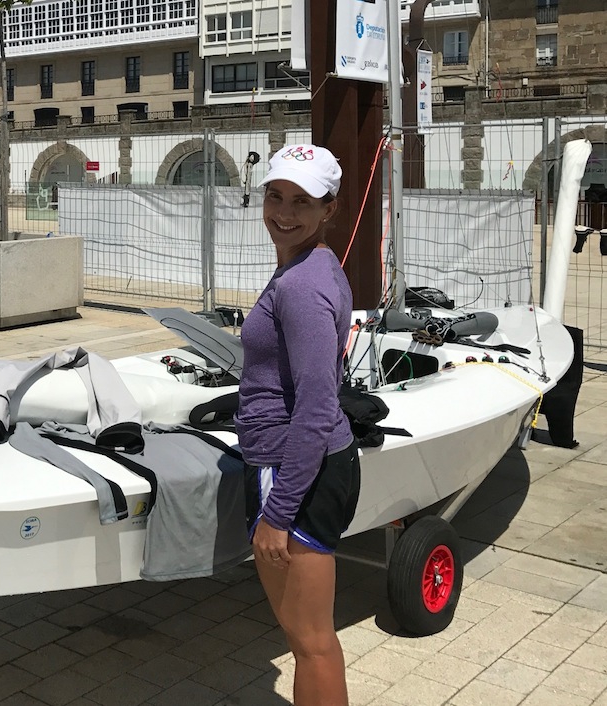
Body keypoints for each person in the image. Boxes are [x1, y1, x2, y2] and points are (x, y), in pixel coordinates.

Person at [234, 144, 360, 706]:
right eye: (275, 195)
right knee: (308, 638)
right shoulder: (314, 265)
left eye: (302, 202)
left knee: (310, 642)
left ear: (329, 208)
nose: (283, 212)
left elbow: (316, 407)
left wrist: (277, 515)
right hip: (302, 463)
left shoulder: (301, 287)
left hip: (296, 471)